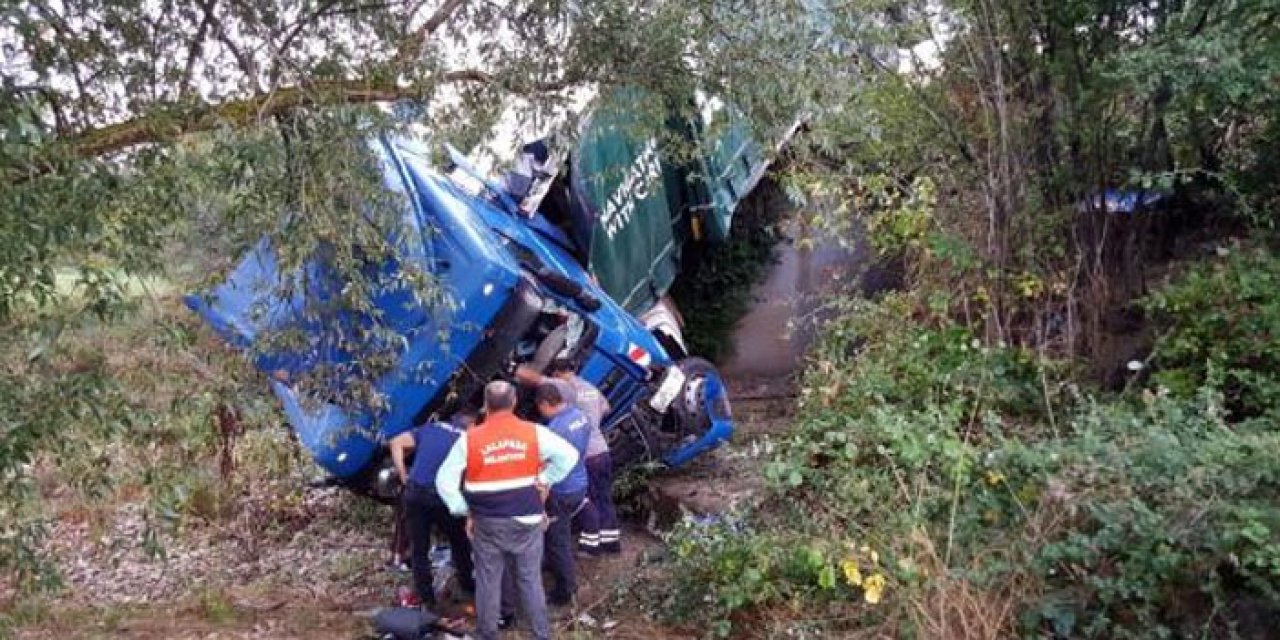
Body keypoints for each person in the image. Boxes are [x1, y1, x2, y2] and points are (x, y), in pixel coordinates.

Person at [436, 381, 579, 640]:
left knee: (488, 581)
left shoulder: (469, 439)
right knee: (529, 580)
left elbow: (444, 481)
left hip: (486, 522)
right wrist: (546, 478)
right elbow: (569, 456)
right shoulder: (534, 433)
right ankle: (541, 634)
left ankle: (487, 634)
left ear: (486, 406)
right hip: (527, 520)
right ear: (514, 403)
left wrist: (463, 509)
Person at [516, 359, 620, 554]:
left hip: (588, 455)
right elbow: (607, 408)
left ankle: (592, 545)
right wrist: (592, 423)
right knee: (604, 498)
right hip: (603, 450)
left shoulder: (563, 386)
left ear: (557, 373)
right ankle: (611, 543)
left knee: (588, 500)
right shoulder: (589, 387)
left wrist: (515, 370)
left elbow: (535, 379)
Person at [388, 412, 476, 606]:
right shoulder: (467, 439)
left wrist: (404, 475)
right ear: (471, 425)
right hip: (441, 497)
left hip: (415, 494)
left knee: (419, 548)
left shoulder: (430, 428)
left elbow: (396, 443)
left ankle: (426, 598)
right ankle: (468, 584)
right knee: (460, 540)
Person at [533, 382, 592, 606]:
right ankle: (552, 563)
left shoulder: (556, 429)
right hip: (579, 483)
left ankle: (565, 591)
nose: (540, 412)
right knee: (558, 533)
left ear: (547, 403)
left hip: (561, 489)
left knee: (558, 539)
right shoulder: (579, 415)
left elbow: (545, 465)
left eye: (540, 408)